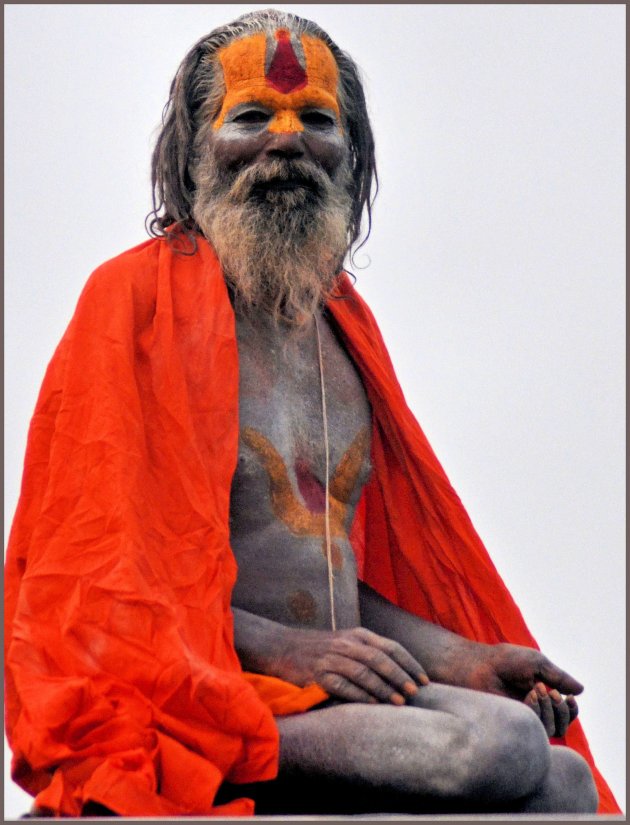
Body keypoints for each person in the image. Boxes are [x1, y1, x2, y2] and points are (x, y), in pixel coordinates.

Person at [4, 8, 618, 818]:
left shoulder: (343, 328)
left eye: (316, 120)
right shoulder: (137, 301)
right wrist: (293, 651)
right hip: (196, 693)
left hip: (325, 697)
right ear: (194, 154)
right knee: (498, 747)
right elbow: (95, 584)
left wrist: (465, 658)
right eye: (252, 116)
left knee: (564, 783)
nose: (286, 140)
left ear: (351, 156)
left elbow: (325, 581)